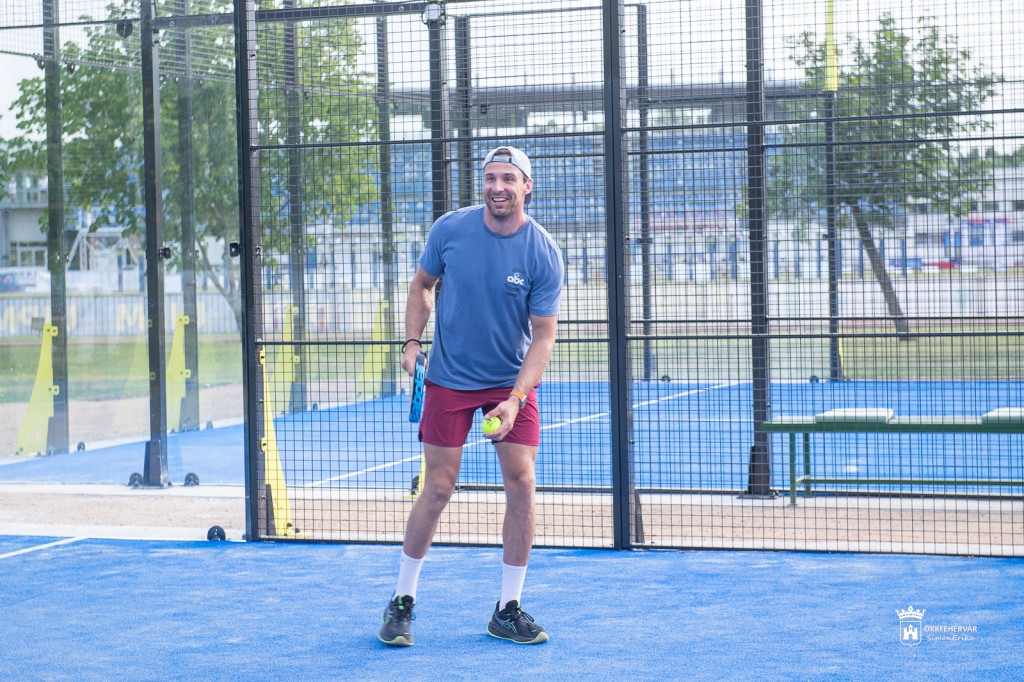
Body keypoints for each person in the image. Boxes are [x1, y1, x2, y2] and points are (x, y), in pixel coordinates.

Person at [378, 146, 563, 647]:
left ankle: (507, 609)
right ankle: (402, 601)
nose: (497, 187)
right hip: (449, 377)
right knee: (438, 487)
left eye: (508, 179)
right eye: (490, 178)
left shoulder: (543, 251)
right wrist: (411, 343)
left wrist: (516, 398)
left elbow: (543, 336)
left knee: (522, 483)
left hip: (509, 382)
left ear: (527, 187)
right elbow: (422, 285)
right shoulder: (450, 230)